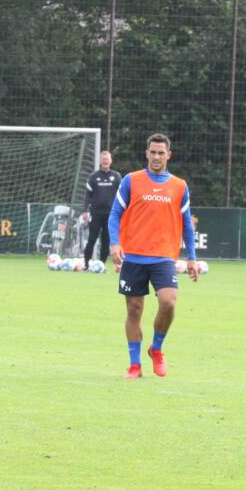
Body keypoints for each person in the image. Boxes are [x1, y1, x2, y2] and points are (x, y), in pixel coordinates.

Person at [107, 134, 200, 378]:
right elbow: (115, 213)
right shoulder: (131, 181)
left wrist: (191, 257)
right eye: (153, 152)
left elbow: (187, 225)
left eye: (161, 152)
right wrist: (115, 243)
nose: (157, 157)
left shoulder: (179, 186)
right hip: (134, 256)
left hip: (163, 257)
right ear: (146, 153)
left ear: (169, 154)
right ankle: (134, 365)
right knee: (134, 311)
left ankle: (156, 349)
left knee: (169, 302)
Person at [81, 150, 122, 267]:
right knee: (92, 239)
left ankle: (101, 265)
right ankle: (86, 264)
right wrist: (85, 210)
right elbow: (87, 195)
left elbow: (122, 194)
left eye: (107, 159)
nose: (105, 161)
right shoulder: (93, 177)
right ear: (100, 161)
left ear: (111, 161)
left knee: (106, 241)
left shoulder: (116, 176)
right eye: (103, 159)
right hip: (95, 213)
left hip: (111, 214)